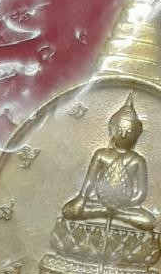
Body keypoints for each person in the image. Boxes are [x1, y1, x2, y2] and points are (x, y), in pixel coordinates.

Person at [62, 93, 155, 231]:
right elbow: (90, 180)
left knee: (149, 221)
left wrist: (125, 203)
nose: (123, 135)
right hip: (98, 202)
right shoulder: (101, 154)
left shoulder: (137, 161)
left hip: (124, 207)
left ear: (136, 134)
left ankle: (114, 214)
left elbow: (140, 192)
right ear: (112, 130)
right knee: (69, 210)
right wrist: (82, 197)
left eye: (129, 132)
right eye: (120, 130)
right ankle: (102, 212)